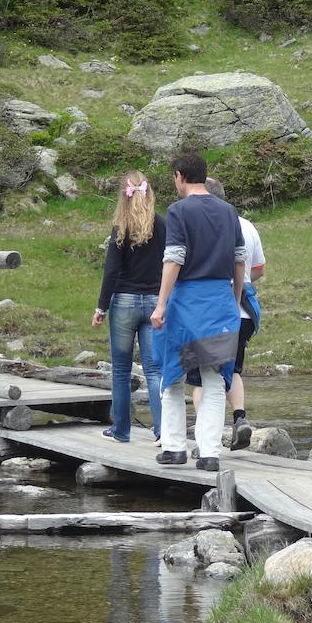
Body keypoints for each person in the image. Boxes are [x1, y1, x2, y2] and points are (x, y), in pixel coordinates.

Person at [151, 151, 245, 472]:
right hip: (220, 302)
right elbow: (239, 258)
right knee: (215, 378)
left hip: (187, 303)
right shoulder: (228, 211)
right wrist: (234, 298)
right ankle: (210, 454)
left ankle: (174, 447)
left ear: (180, 175)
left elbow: (174, 257)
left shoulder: (178, 211)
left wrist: (161, 303)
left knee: (173, 376)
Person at [188, 177, 264, 451]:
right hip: (242, 313)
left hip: (211, 309)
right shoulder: (247, 225)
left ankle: (206, 433)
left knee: (200, 375)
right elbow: (259, 268)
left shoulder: (204, 222)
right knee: (233, 369)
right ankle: (239, 416)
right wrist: (241, 281)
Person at [92, 170, 165, 443]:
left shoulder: (120, 227)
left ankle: (121, 430)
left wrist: (101, 307)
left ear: (124, 196)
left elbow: (111, 270)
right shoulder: (162, 225)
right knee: (154, 370)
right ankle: (162, 431)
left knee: (121, 369)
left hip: (123, 301)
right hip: (155, 302)